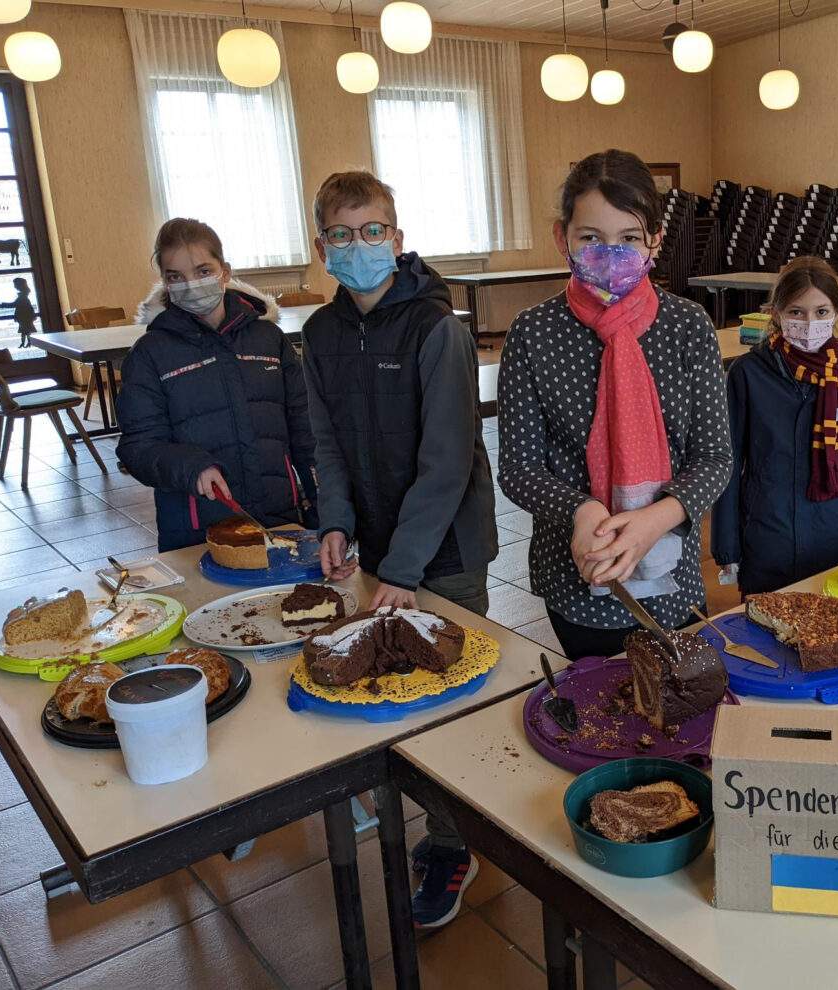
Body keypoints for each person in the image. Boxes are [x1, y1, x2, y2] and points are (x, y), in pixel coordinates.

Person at [301, 170, 496, 930]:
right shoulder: (318, 336)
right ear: (323, 247)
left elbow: (447, 460)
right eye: (343, 235)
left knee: (447, 699)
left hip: (442, 551)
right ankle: (405, 803)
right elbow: (328, 445)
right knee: (386, 684)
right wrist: (336, 524)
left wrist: (407, 570)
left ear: (398, 238)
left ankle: (453, 844)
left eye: (373, 230)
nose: (360, 246)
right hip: (379, 549)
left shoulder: (434, 329)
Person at [498, 149, 732, 661]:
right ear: (563, 239)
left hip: (672, 575)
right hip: (576, 579)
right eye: (591, 238)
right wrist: (580, 511)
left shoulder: (688, 326)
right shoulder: (534, 333)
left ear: (655, 241)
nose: (611, 253)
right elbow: (517, 468)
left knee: (672, 711)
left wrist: (655, 520)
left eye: (628, 239)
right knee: (598, 715)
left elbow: (715, 459)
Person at [118, 219, 316, 552]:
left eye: (202, 270)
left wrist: (321, 508)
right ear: (164, 282)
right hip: (198, 531)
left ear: (225, 272)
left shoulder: (269, 340)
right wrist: (189, 467)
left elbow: (304, 428)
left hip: (279, 518)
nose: (191, 285)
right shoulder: (150, 355)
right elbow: (137, 447)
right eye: (175, 277)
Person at [711, 256, 838, 594]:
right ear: (776, 313)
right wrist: (726, 545)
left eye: (821, 312)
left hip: (833, 530)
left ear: (836, 313)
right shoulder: (748, 373)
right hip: (768, 535)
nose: (809, 323)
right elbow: (727, 464)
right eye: (796, 312)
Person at [0, 277, 38, 348]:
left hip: (24, 317)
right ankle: (27, 343)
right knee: (26, 331)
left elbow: (14, 304)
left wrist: (0, 305)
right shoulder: (24, 295)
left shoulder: (22, 296)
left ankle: (26, 343)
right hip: (25, 316)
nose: (14, 286)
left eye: (15, 285)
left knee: (25, 331)